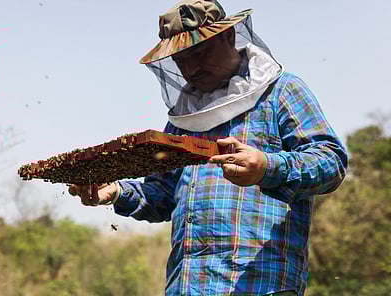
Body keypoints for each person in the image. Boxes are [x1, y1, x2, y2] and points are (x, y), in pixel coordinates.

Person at [68, 0, 348, 295]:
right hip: (189, 285)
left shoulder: (281, 91)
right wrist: (116, 192)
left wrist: (266, 167)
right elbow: (162, 196)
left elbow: (330, 162)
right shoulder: (185, 118)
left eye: (199, 53)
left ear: (228, 36)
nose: (191, 67)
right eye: (181, 59)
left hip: (260, 283)